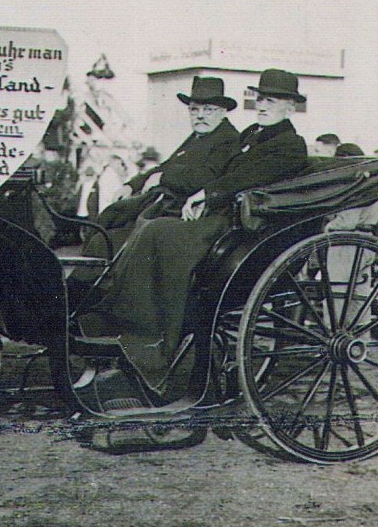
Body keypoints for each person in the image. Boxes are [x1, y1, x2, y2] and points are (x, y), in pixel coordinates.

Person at [80, 69, 308, 394]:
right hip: (220, 216)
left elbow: (246, 176)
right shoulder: (252, 136)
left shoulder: (289, 144)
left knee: (158, 232)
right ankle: (123, 335)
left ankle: (148, 353)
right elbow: (217, 168)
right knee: (151, 230)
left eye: (270, 100)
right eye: (260, 99)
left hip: (235, 226)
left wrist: (207, 193)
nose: (262, 105)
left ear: (290, 107)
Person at [72, 77, 240, 284]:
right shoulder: (199, 137)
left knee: (116, 240)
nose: (200, 116)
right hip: (166, 207)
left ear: (223, 111)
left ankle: (108, 298)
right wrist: (132, 184)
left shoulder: (228, 140)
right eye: (194, 110)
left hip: (188, 214)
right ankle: (83, 296)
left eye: (208, 110)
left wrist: (164, 177)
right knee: (104, 232)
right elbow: (166, 165)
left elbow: (206, 178)